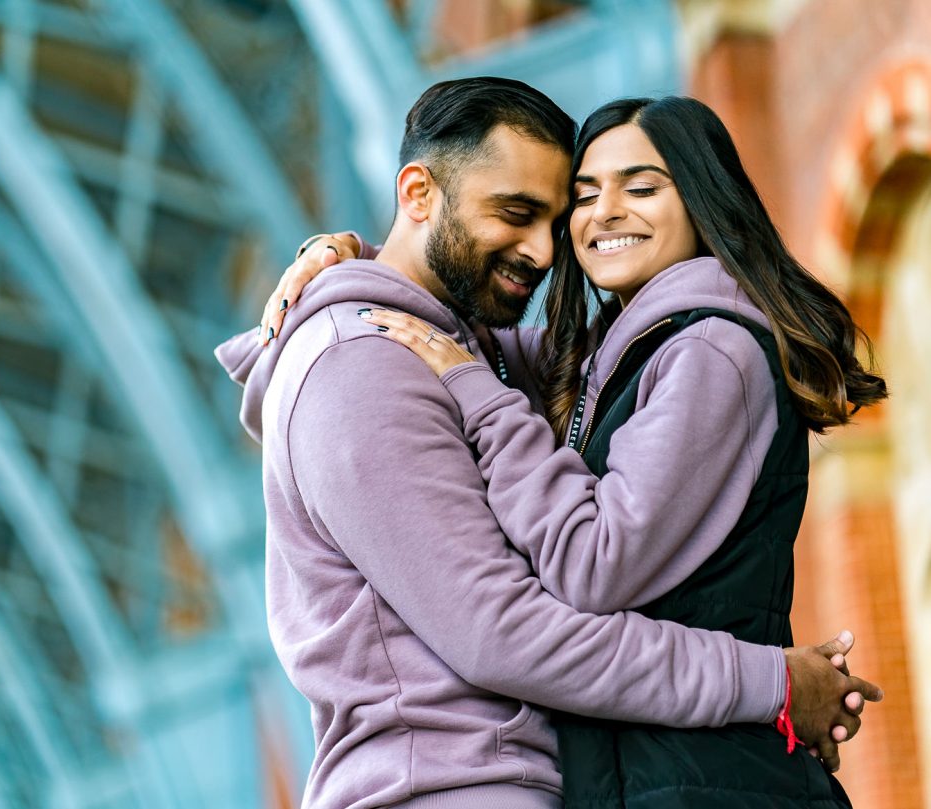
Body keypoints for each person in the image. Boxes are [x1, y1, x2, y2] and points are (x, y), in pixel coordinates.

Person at [215, 78, 878, 809]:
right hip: (449, 786)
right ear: (418, 194)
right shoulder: (364, 364)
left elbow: (548, 378)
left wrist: (345, 258)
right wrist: (770, 682)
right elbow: (502, 631)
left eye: (552, 221)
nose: (541, 250)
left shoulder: (466, 353)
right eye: (517, 213)